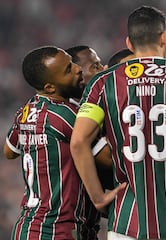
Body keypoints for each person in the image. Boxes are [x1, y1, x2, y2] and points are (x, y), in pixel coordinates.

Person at [70, 5, 166, 240]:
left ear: (128, 43)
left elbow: (78, 143)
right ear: (164, 38)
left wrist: (98, 197)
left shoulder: (103, 84)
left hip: (126, 222)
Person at [3, 46, 122, 240]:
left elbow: (9, 151)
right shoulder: (67, 114)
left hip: (31, 226)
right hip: (56, 230)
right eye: (68, 69)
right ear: (50, 87)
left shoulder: (27, 110)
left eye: (73, 63)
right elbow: (109, 160)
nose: (78, 70)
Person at [65, 45, 111, 239]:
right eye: (95, 66)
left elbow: (10, 150)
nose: (103, 70)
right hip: (70, 228)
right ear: (77, 75)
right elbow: (110, 162)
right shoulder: (76, 116)